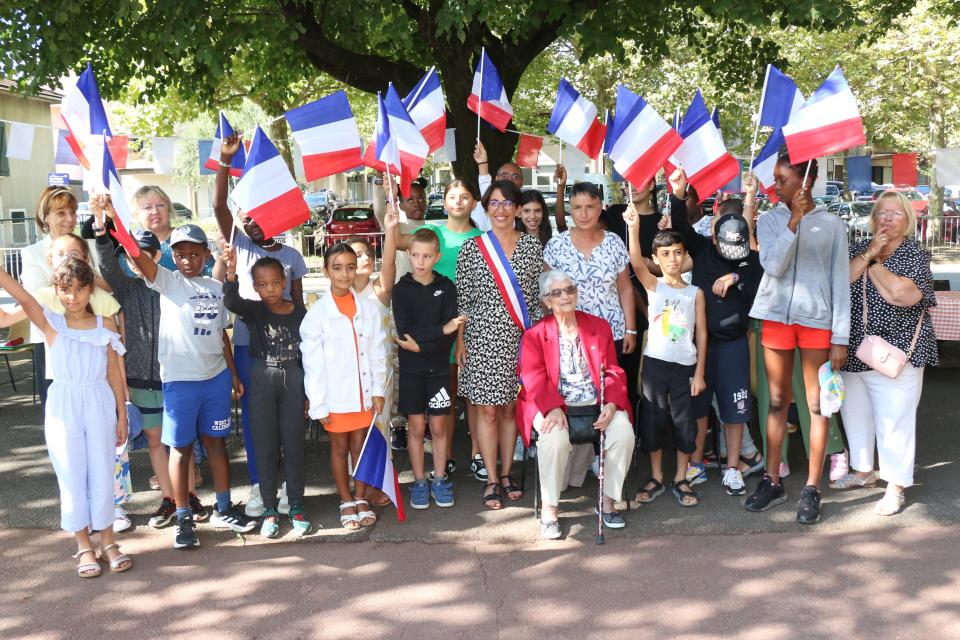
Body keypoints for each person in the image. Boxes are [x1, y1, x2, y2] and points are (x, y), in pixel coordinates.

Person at [0, 259, 132, 576]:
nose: (73, 296)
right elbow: (23, 296)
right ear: (57, 291)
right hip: (64, 405)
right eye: (66, 289)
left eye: (80, 289)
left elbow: (114, 373)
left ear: (90, 289)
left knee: (102, 471)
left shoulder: (106, 325)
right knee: (71, 474)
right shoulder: (51, 323)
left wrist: (122, 415)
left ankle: (109, 542)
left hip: (98, 400)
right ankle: (84, 546)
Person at [128, 223, 255, 548]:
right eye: (181, 254)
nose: (187, 260)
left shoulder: (216, 288)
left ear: (206, 255)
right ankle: (183, 516)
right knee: (181, 448)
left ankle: (224, 508)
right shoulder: (168, 282)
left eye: (194, 253)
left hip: (215, 380)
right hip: (181, 382)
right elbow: (136, 255)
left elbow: (221, 335)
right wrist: (112, 219)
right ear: (173, 256)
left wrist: (234, 375)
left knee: (216, 443)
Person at [746, 155, 850, 524]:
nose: (775, 186)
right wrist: (793, 221)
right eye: (775, 179)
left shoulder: (833, 225)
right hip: (775, 318)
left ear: (806, 181)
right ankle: (772, 481)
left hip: (818, 322)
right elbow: (772, 265)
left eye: (782, 180)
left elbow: (840, 280)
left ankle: (811, 488)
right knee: (775, 402)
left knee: (817, 404)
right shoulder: (771, 219)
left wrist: (841, 335)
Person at [93, 209, 209, 529]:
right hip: (141, 378)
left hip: (174, 375)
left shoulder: (171, 284)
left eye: (144, 253)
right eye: (130, 256)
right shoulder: (127, 288)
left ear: (158, 254)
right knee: (156, 441)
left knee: (179, 441)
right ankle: (170, 500)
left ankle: (189, 496)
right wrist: (103, 232)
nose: (135, 261)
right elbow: (106, 264)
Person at [213, 132, 308, 518]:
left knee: (288, 424)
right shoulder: (240, 244)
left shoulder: (292, 256)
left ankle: (286, 488)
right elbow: (219, 204)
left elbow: (299, 307)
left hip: (289, 355)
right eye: (246, 215)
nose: (252, 221)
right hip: (250, 350)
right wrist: (223, 161)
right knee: (257, 424)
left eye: (259, 213)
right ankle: (259, 485)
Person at [832, 190, 937, 515]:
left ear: (908, 221)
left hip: (898, 354)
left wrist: (875, 261)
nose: (888, 219)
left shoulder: (914, 255)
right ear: (872, 218)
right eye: (882, 213)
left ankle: (895, 485)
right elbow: (840, 283)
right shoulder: (856, 249)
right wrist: (869, 253)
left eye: (896, 213)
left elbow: (902, 296)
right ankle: (864, 471)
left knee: (895, 421)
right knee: (856, 415)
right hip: (855, 350)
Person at [517, 270, 636, 539]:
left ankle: (606, 502)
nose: (565, 296)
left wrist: (613, 403)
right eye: (556, 293)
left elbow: (614, 371)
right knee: (553, 437)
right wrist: (553, 406)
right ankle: (550, 510)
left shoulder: (598, 326)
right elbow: (532, 376)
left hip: (595, 402)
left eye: (569, 290)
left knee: (623, 432)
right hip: (555, 403)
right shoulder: (535, 335)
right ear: (546, 301)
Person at [669, 174, 764, 497]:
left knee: (735, 410)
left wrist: (736, 275)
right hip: (698, 345)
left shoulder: (748, 257)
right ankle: (695, 463)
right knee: (698, 409)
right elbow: (680, 227)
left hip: (733, 345)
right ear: (712, 230)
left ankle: (734, 467)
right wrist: (679, 193)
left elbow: (756, 280)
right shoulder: (700, 247)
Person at [456, 180, 543, 509]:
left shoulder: (532, 248)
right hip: (480, 341)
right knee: (487, 412)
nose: (501, 209)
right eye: (494, 203)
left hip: (520, 341)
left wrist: (535, 345)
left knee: (510, 410)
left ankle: (508, 473)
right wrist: (462, 341)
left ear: (518, 209)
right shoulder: (472, 248)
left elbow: (535, 302)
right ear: (485, 208)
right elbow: (463, 301)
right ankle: (492, 479)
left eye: (508, 203)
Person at [397, 180, 485, 480]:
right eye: (452, 196)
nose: (458, 202)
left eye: (465, 197)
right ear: (444, 202)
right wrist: (386, 205)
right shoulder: (433, 233)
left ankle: (476, 453)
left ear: (474, 203)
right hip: (435, 324)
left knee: (472, 393)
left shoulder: (481, 238)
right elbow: (397, 240)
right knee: (443, 395)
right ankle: (444, 456)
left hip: (469, 321)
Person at [223, 246, 310, 537]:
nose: (269, 289)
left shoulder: (300, 312)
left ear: (283, 282)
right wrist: (231, 273)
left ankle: (296, 504)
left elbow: (309, 354)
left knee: (294, 443)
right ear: (256, 287)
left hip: (293, 377)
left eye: (274, 282)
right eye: (262, 285)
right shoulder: (254, 310)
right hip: (261, 376)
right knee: (265, 445)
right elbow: (231, 300)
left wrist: (309, 393)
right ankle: (270, 509)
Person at [300, 243, 387, 529]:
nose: (345, 274)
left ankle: (361, 496)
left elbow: (376, 351)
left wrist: (377, 390)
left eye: (351, 267)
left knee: (359, 447)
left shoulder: (368, 308)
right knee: (339, 447)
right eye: (337, 268)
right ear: (326, 271)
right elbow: (313, 364)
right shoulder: (317, 315)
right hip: (335, 397)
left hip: (363, 395)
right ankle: (346, 498)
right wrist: (319, 402)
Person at [624, 209, 707, 507]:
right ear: (655, 259)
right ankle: (657, 475)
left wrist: (699, 373)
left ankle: (681, 477)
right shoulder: (653, 286)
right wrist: (633, 228)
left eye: (677, 253)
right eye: (665, 254)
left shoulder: (695, 293)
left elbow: (702, 335)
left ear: (685, 256)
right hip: (655, 366)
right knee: (653, 421)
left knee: (685, 424)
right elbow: (635, 261)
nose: (672, 259)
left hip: (685, 365)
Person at [392, 227, 465, 509]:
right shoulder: (401, 289)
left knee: (438, 426)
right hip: (411, 369)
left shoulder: (446, 287)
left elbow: (450, 332)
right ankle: (419, 481)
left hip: (438, 369)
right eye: (415, 256)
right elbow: (405, 332)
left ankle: (440, 477)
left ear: (437, 257)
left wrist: (426, 341)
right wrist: (439, 331)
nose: (420, 261)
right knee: (416, 426)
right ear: (409, 255)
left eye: (426, 256)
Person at [19, 187, 102, 406]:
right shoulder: (32, 253)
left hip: (91, 336)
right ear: (44, 217)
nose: (70, 219)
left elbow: (106, 290)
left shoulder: (90, 247)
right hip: (51, 340)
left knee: (95, 405)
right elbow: (37, 296)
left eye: (73, 212)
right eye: (61, 213)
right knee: (58, 411)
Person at [544, 182, 637, 377]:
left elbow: (625, 289)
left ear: (600, 208)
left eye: (590, 207)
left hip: (613, 331)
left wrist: (631, 329)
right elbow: (546, 295)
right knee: (577, 397)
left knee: (610, 390)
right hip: (570, 334)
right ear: (570, 209)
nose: (583, 214)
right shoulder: (556, 246)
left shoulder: (614, 242)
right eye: (577, 207)